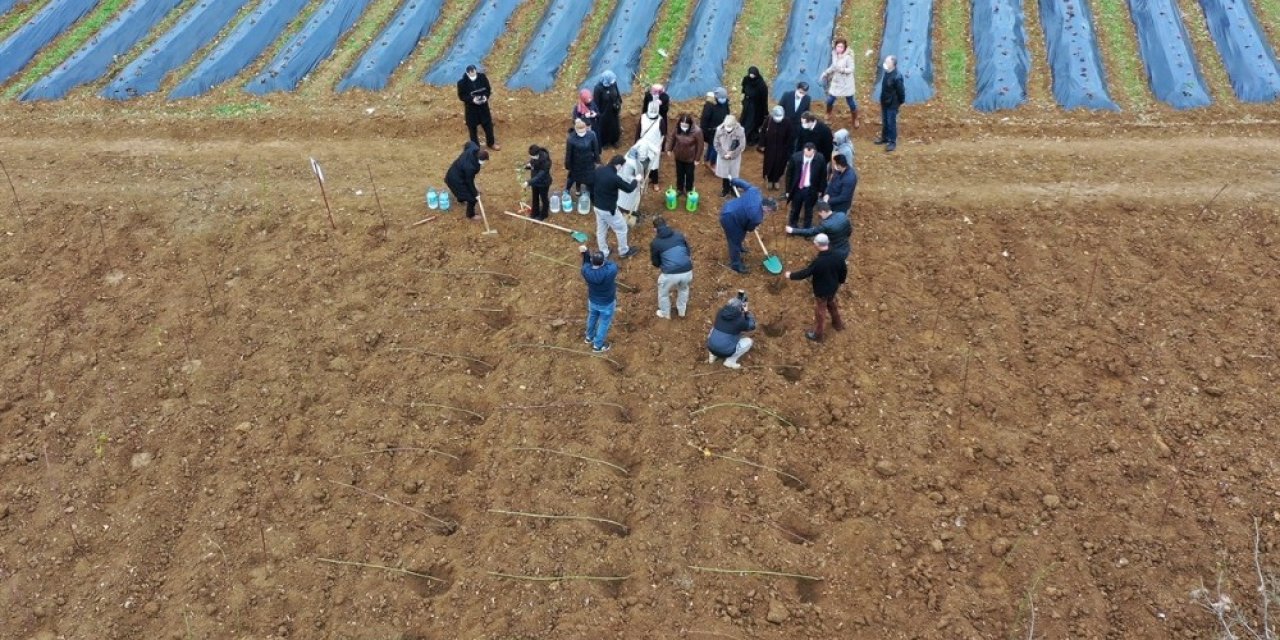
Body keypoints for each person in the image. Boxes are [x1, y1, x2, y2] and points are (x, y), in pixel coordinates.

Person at [785, 233, 848, 341]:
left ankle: (818, 335)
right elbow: (844, 270)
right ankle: (838, 324)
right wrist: (840, 281)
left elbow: (806, 273)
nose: (814, 244)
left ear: (818, 245)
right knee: (832, 304)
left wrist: (790, 275)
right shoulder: (838, 255)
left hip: (821, 292)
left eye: (815, 243)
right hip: (833, 288)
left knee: (820, 313)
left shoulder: (819, 262)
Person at [719, 177, 777, 274]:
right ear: (766, 208)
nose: (769, 213)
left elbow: (744, 184)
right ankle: (736, 265)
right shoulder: (757, 217)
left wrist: (734, 181)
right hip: (729, 219)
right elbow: (749, 228)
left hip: (730, 207)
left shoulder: (756, 192)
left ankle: (740, 247)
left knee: (741, 233)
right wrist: (754, 226)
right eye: (770, 211)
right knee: (734, 242)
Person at [591, 155, 639, 258]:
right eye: (621, 166)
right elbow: (629, 188)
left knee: (601, 230)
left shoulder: (599, 170)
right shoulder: (614, 178)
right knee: (622, 229)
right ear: (618, 165)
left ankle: (603, 251)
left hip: (597, 206)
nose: (621, 168)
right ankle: (623, 251)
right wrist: (636, 180)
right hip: (609, 210)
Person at [649, 216, 693, 319]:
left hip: (670, 274)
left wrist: (664, 265)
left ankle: (665, 314)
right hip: (687, 271)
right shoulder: (679, 235)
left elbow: (655, 262)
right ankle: (682, 311)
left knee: (663, 294)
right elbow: (688, 251)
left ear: (655, 229)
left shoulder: (655, 243)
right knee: (683, 289)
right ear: (667, 225)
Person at [579, 245, 618, 353]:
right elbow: (612, 264)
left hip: (593, 300)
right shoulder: (610, 270)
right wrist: (599, 259)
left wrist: (585, 253)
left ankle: (589, 337)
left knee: (592, 317)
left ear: (592, 261)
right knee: (604, 323)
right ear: (603, 262)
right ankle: (598, 345)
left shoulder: (586, 271)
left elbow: (586, 263)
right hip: (607, 303)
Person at [786, 202, 852, 262]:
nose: (820, 217)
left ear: (823, 211)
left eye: (819, 214)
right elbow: (849, 231)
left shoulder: (826, 225)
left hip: (834, 252)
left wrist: (793, 230)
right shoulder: (842, 215)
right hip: (846, 248)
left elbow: (811, 232)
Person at [705, 295, 756, 369]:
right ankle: (730, 361)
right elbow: (752, 326)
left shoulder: (720, 313)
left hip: (711, 347)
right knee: (749, 342)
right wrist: (746, 312)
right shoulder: (740, 321)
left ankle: (712, 356)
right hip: (726, 351)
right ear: (740, 308)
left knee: (715, 329)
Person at [784, 142, 827, 229]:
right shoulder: (795, 157)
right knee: (795, 209)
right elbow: (788, 175)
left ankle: (807, 230)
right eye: (806, 155)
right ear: (803, 150)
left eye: (809, 155)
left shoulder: (820, 159)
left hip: (811, 190)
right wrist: (788, 190)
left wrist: (820, 190)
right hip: (797, 189)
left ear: (814, 152)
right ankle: (793, 226)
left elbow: (823, 176)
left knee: (809, 211)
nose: (807, 156)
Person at [456, 65, 499, 150]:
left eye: (474, 72)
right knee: (472, 129)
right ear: (467, 73)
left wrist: (485, 97)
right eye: (470, 73)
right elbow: (462, 96)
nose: (473, 74)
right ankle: (476, 148)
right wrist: (472, 100)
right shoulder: (461, 83)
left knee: (488, 126)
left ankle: (491, 143)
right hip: (471, 109)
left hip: (483, 107)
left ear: (476, 70)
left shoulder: (482, 77)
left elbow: (488, 89)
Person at [444, 141, 488, 220]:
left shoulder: (473, 148)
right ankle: (470, 215)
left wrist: (464, 155)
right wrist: (475, 194)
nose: (483, 163)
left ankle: (461, 199)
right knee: (472, 199)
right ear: (479, 159)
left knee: (464, 192)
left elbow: (468, 143)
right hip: (455, 180)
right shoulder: (471, 168)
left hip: (453, 173)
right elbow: (469, 182)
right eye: (483, 161)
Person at [820, 38, 858, 129]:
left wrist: (843, 70)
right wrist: (825, 73)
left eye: (841, 47)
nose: (839, 48)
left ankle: (855, 118)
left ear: (844, 48)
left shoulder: (848, 57)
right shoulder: (834, 55)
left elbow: (851, 69)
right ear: (835, 46)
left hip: (846, 83)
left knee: (851, 102)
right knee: (830, 100)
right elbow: (833, 66)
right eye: (838, 46)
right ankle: (828, 113)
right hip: (837, 82)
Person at [666, 113, 704, 198]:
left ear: (690, 124)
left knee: (689, 175)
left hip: (690, 158)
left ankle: (688, 190)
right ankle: (679, 189)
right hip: (679, 156)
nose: (683, 127)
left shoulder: (697, 131)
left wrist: (697, 159)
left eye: (685, 125)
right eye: (682, 124)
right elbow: (672, 138)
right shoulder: (677, 128)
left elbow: (700, 146)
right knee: (679, 174)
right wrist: (669, 149)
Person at [633, 98, 666, 191]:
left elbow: (664, 135)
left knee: (654, 164)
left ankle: (655, 182)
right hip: (643, 144)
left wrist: (662, 148)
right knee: (642, 161)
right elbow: (638, 131)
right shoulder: (643, 117)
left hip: (655, 146)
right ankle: (642, 179)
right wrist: (636, 144)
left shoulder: (660, 120)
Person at [564, 118, 600, 198]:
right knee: (575, 177)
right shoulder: (571, 139)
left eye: (583, 131)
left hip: (588, 162)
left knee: (590, 179)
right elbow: (568, 153)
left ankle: (592, 195)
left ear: (586, 129)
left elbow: (596, 149)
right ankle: (576, 189)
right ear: (576, 130)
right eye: (580, 132)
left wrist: (597, 161)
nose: (582, 133)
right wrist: (568, 165)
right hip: (576, 163)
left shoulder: (592, 135)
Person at [876, 55, 906, 152]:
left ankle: (892, 142)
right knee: (885, 121)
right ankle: (884, 138)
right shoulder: (887, 72)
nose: (885, 63)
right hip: (884, 102)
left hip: (892, 104)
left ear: (892, 64)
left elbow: (901, 92)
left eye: (887, 62)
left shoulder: (897, 76)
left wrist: (899, 102)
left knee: (891, 122)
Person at [760, 105, 793, 191]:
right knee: (769, 163)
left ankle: (776, 180)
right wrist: (762, 144)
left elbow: (790, 136)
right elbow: (763, 132)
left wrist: (786, 148)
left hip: (782, 148)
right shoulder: (769, 120)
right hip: (770, 148)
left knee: (779, 164)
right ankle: (770, 180)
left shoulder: (787, 122)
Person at [713, 115, 746, 197]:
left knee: (734, 174)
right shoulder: (719, 130)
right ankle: (725, 189)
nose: (727, 128)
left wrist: (732, 154)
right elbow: (716, 144)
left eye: (729, 126)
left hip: (734, 158)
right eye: (726, 126)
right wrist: (723, 154)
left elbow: (742, 145)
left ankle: (733, 189)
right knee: (725, 174)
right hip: (723, 157)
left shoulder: (740, 131)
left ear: (734, 125)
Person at [699, 88, 730, 166]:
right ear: (716, 97)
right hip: (711, 130)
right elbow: (704, 119)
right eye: (721, 98)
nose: (723, 100)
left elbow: (727, 112)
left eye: (724, 98)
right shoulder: (709, 105)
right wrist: (704, 131)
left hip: (722, 129)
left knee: (713, 145)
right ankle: (712, 163)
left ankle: (707, 159)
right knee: (716, 147)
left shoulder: (725, 103)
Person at [593, 70, 623, 148]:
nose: (612, 82)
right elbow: (596, 102)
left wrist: (618, 102)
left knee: (615, 126)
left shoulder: (613, 84)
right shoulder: (598, 88)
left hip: (613, 111)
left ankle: (614, 140)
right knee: (604, 127)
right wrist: (598, 113)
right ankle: (605, 142)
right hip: (604, 112)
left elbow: (617, 93)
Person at [740, 66, 769, 146]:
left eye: (753, 75)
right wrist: (744, 100)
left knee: (751, 123)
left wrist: (765, 111)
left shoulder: (761, 85)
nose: (751, 76)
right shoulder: (746, 79)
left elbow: (764, 99)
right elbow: (743, 90)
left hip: (756, 106)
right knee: (744, 120)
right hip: (747, 104)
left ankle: (748, 138)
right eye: (750, 74)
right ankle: (744, 137)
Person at [523, 144, 552, 220]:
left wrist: (528, 182)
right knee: (535, 197)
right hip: (535, 183)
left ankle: (544, 214)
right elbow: (533, 165)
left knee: (544, 198)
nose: (531, 158)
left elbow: (540, 176)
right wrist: (525, 166)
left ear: (537, 154)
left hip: (543, 183)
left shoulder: (546, 162)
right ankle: (535, 212)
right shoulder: (535, 157)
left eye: (532, 156)